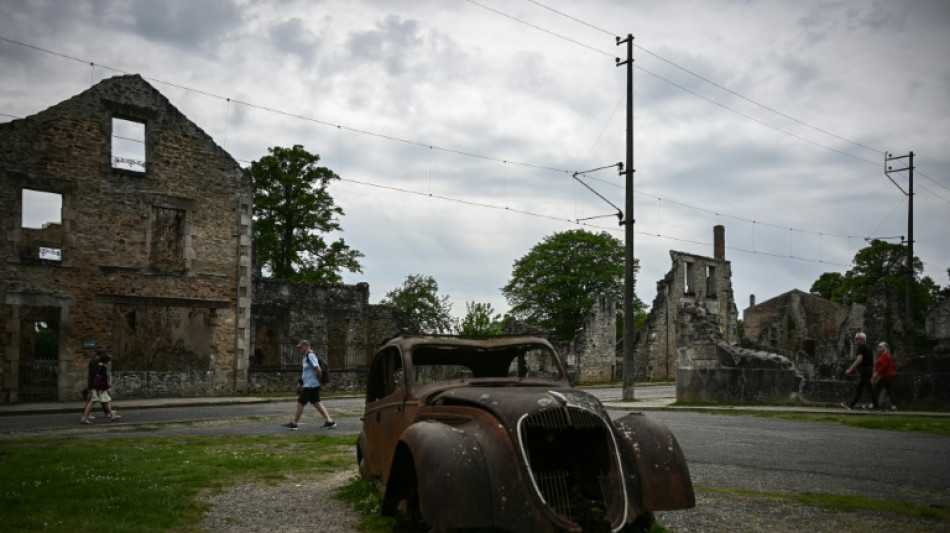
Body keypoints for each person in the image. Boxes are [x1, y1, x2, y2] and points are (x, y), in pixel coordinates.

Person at [283, 340, 336, 430]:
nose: (299, 349)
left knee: (300, 403)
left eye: (300, 347)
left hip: (310, 385)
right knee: (316, 403)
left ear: (306, 347)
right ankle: (329, 421)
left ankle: (294, 424)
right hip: (309, 384)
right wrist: (300, 383)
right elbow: (306, 373)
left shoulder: (310, 355)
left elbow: (318, 370)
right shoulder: (305, 357)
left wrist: (318, 381)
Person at [842, 332, 879, 410]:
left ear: (861, 339)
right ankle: (851, 405)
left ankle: (875, 406)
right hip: (868, 370)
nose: (855, 339)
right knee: (860, 388)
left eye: (856, 338)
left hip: (864, 370)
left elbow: (858, 360)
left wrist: (850, 370)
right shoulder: (868, 347)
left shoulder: (861, 347)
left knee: (867, 388)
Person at [80, 353, 121, 424]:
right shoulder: (103, 368)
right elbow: (104, 379)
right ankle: (84, 418)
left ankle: (112, 416)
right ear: (106, 361)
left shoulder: (96, 366)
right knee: (93, 402)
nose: (109, 362)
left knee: (105, 401)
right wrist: (108, 386)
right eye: (108, 361)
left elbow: (92, 376)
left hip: (95, 387)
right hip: (100, 388)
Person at [82, 350, 112, 419]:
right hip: (97, 384)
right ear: (101, 355)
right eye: (104, 354)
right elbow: (101, 375)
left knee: (97, 399)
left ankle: (109, 413)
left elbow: (89, 372)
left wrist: (89, 382)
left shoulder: (92, 361)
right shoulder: (99, 363)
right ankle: (85, 415)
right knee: (96, 400)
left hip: (93, 382)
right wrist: (107, 384)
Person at [873, 341, 898, 411]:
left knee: (876, 390)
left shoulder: (885, 355)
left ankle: (873, 405)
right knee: (889, 390)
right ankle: (893, 406)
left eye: (880, 347)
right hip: (888, 375)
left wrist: (877, 373)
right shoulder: (888, 355)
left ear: (884, 348)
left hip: (883, 375)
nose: (878, 348)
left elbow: (884, 366)